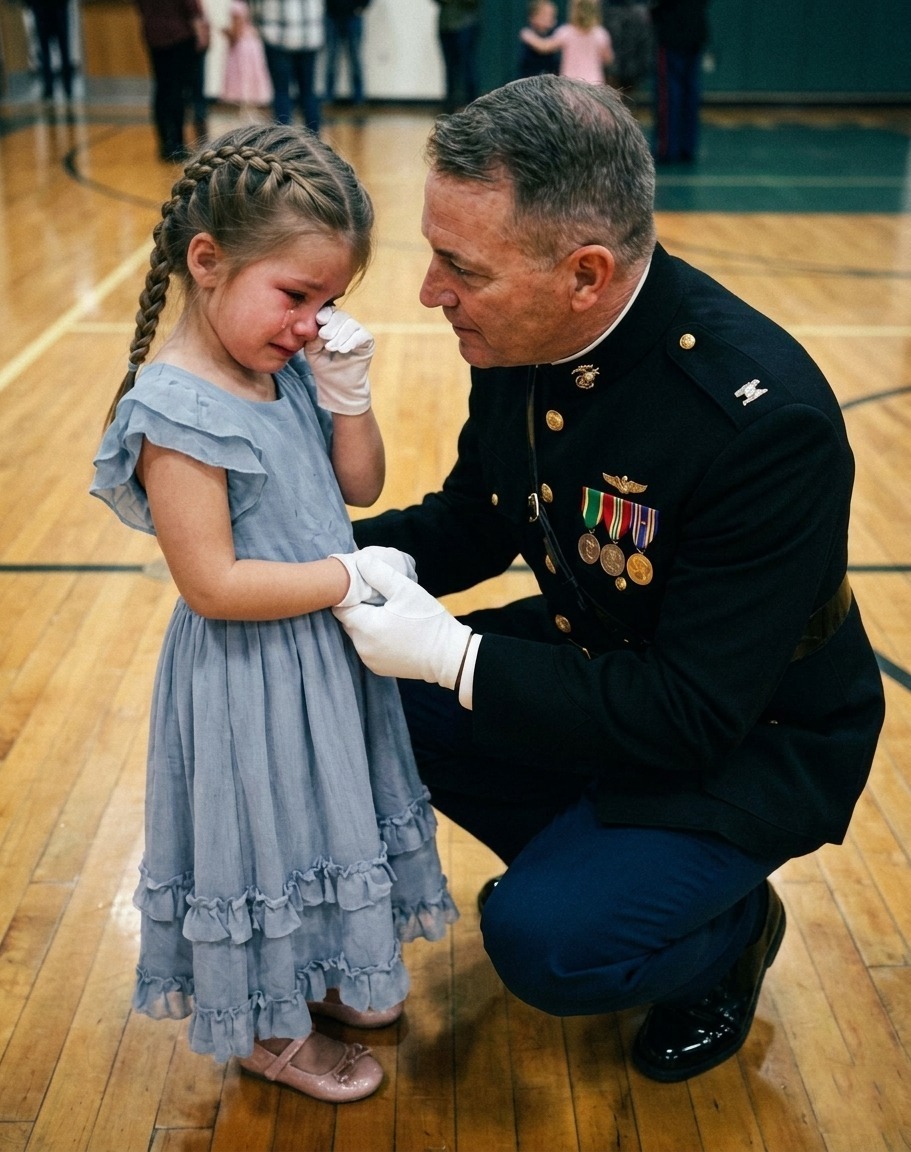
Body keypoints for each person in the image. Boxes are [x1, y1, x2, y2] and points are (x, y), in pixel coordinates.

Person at [333, 76, 886, 1083]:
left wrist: (456, 656)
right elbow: (478, 516)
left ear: (584, 273)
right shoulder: (524, 330)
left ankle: (726, 933)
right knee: (355, 687)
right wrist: (316, 559)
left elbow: (690, 712)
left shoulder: (759, 421)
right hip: (609, 663)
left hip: (749, 733)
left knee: (547, 942)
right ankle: (614, 867)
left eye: (462, 267)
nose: (430, 291)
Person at [90, 124, 457, 1102]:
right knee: (265, 841)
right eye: (295, 295)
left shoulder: (282, 363)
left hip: (318, 661)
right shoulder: (176, 409)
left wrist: (347, 395)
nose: (309, 323)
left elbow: (360, 484)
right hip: (249, 674)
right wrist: (344, 577)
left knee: (321, 825)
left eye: (327, 302)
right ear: (207, 261)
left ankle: (322, 969)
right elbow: (211, 583)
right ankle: (263, 1028)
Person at [135, 0, 210, 160]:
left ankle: (165, 143)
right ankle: (177, 144)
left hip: (153, 35)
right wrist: (202, 34)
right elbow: (191, 8)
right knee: (178, 91)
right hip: (179, 36)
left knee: (162, 90)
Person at [252, 0, 323, 133]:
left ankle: (283, 139)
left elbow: (256, 7)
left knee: (281, 92)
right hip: (309, 37)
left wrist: (260, 26)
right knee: (308, 92)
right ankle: (314, 139)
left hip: (278, 37)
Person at [650, 0, 709, 163]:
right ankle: (686, 147)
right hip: (694, 33)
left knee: (670, 94)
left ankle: (668, 148)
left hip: (672, 34)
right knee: (689, 92)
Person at [519, 0, 613, 86]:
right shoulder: (601, 34)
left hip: (569, 84)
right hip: (595, 84)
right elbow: (608, 59)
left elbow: (544, 47)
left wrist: (528, 36)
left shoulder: (566, 32)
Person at [221, 0, 273, 114]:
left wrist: (225, 33)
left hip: (242, 46)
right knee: (251, 75)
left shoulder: (236, 6)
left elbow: (236, 33)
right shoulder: (252, 5)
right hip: (253, 44)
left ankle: (245, 109)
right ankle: (251, 108)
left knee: (243, 75)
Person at [434, 0, 480, 113]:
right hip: (445, 24)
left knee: (467, 66)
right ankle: (450, 106)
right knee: (449, 68)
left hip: (465, 23)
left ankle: (473, 106)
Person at [324, 0, 372, 106]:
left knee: (355, 59)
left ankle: (358, 98)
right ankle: (328, 97)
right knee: (331, 59)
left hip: (353, 17)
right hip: (332, 16)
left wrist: (362, 6)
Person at [27, 0, 75, 101]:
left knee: (45, 50)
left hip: (42, 8)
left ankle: (49, 87)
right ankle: (67, 87)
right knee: (63, 49)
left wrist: (31, 5)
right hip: (57, 7)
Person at [605, 0, 651, 101]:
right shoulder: (609, 12)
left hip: (630, 70)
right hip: (618, 69)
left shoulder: (640, 13)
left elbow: (644, 45)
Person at [517, 0, 560, 79]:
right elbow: (542, 47)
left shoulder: (556, 35)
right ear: (533, 17)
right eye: (545, 15)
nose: (550, 18)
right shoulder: (527, 34)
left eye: (552, 15)